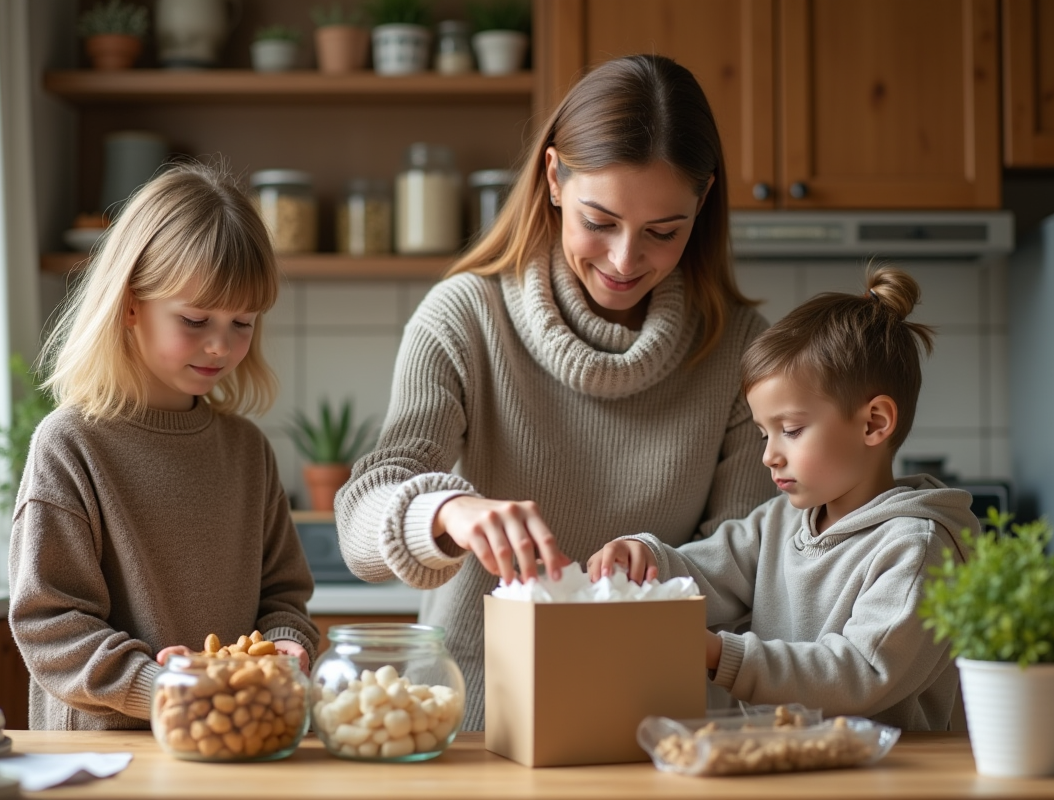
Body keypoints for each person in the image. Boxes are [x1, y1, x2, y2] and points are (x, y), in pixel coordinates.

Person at [335, 54, 778, 730]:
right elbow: (361, 519)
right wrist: (446, 513)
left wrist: (658, 565)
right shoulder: (464, 318)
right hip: (482, 728)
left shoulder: (743, 349)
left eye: (664, 232)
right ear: (553, 179)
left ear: (704, 204)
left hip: (664, 732)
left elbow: (744, 559)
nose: (626, 261)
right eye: (600, 222)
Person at [588, 266, 978, 731]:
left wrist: (719, 654)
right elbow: (704, 572)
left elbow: (861, 675)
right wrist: (645, 559)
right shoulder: (776, 524)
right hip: (784, 762)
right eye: (764, 433)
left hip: (886, 779)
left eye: (791, 430)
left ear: (874, 423)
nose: (770, 455)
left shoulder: (916, 549)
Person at [9, 163, 319, 731]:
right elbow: (49, 623)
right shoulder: (70, 446)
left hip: (231, 741)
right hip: (104, 760)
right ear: (130, 304)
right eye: (195, 319)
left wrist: (284, 646)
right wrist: (163, 687)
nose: (221, 345)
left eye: (242, 323)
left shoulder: (248, 452)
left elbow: (284, 597)